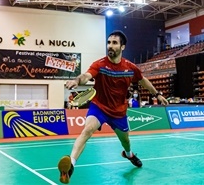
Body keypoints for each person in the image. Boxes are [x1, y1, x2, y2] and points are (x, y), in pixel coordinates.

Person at [57, 30, 169, 184]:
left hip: (119, 112)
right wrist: (77, 80)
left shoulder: (130, 68)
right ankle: (70, 167)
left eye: (114, 43)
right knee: (87, 130)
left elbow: (143, 81)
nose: (110, 45)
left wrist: (157, 94)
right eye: (108, 42)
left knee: (126, 142)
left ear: (122, 47)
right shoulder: (100, 64)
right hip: (99, 107)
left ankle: (129, 154)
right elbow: (86, 76)